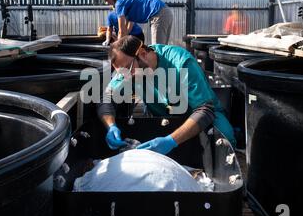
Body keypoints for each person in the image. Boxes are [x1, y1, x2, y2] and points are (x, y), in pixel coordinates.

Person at [97, 35, 236, 156]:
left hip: (196, 115)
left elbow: (204, 110)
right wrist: (111, 126)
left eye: (128, 69)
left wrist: (171, 141)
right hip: (162, 116)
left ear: (143, 54)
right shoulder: (128, 71)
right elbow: (106, 98)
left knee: (224, 139)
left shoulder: (181, 63)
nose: (125, 77)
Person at [101, 0, 173, 45]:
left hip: (158, 15)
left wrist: (117, 48)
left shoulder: (119, 3)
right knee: (163, 50)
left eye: (106, 0)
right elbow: (125, 30)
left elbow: (121, 31)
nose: (106, 3)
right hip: (166, 11)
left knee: (158, 51)